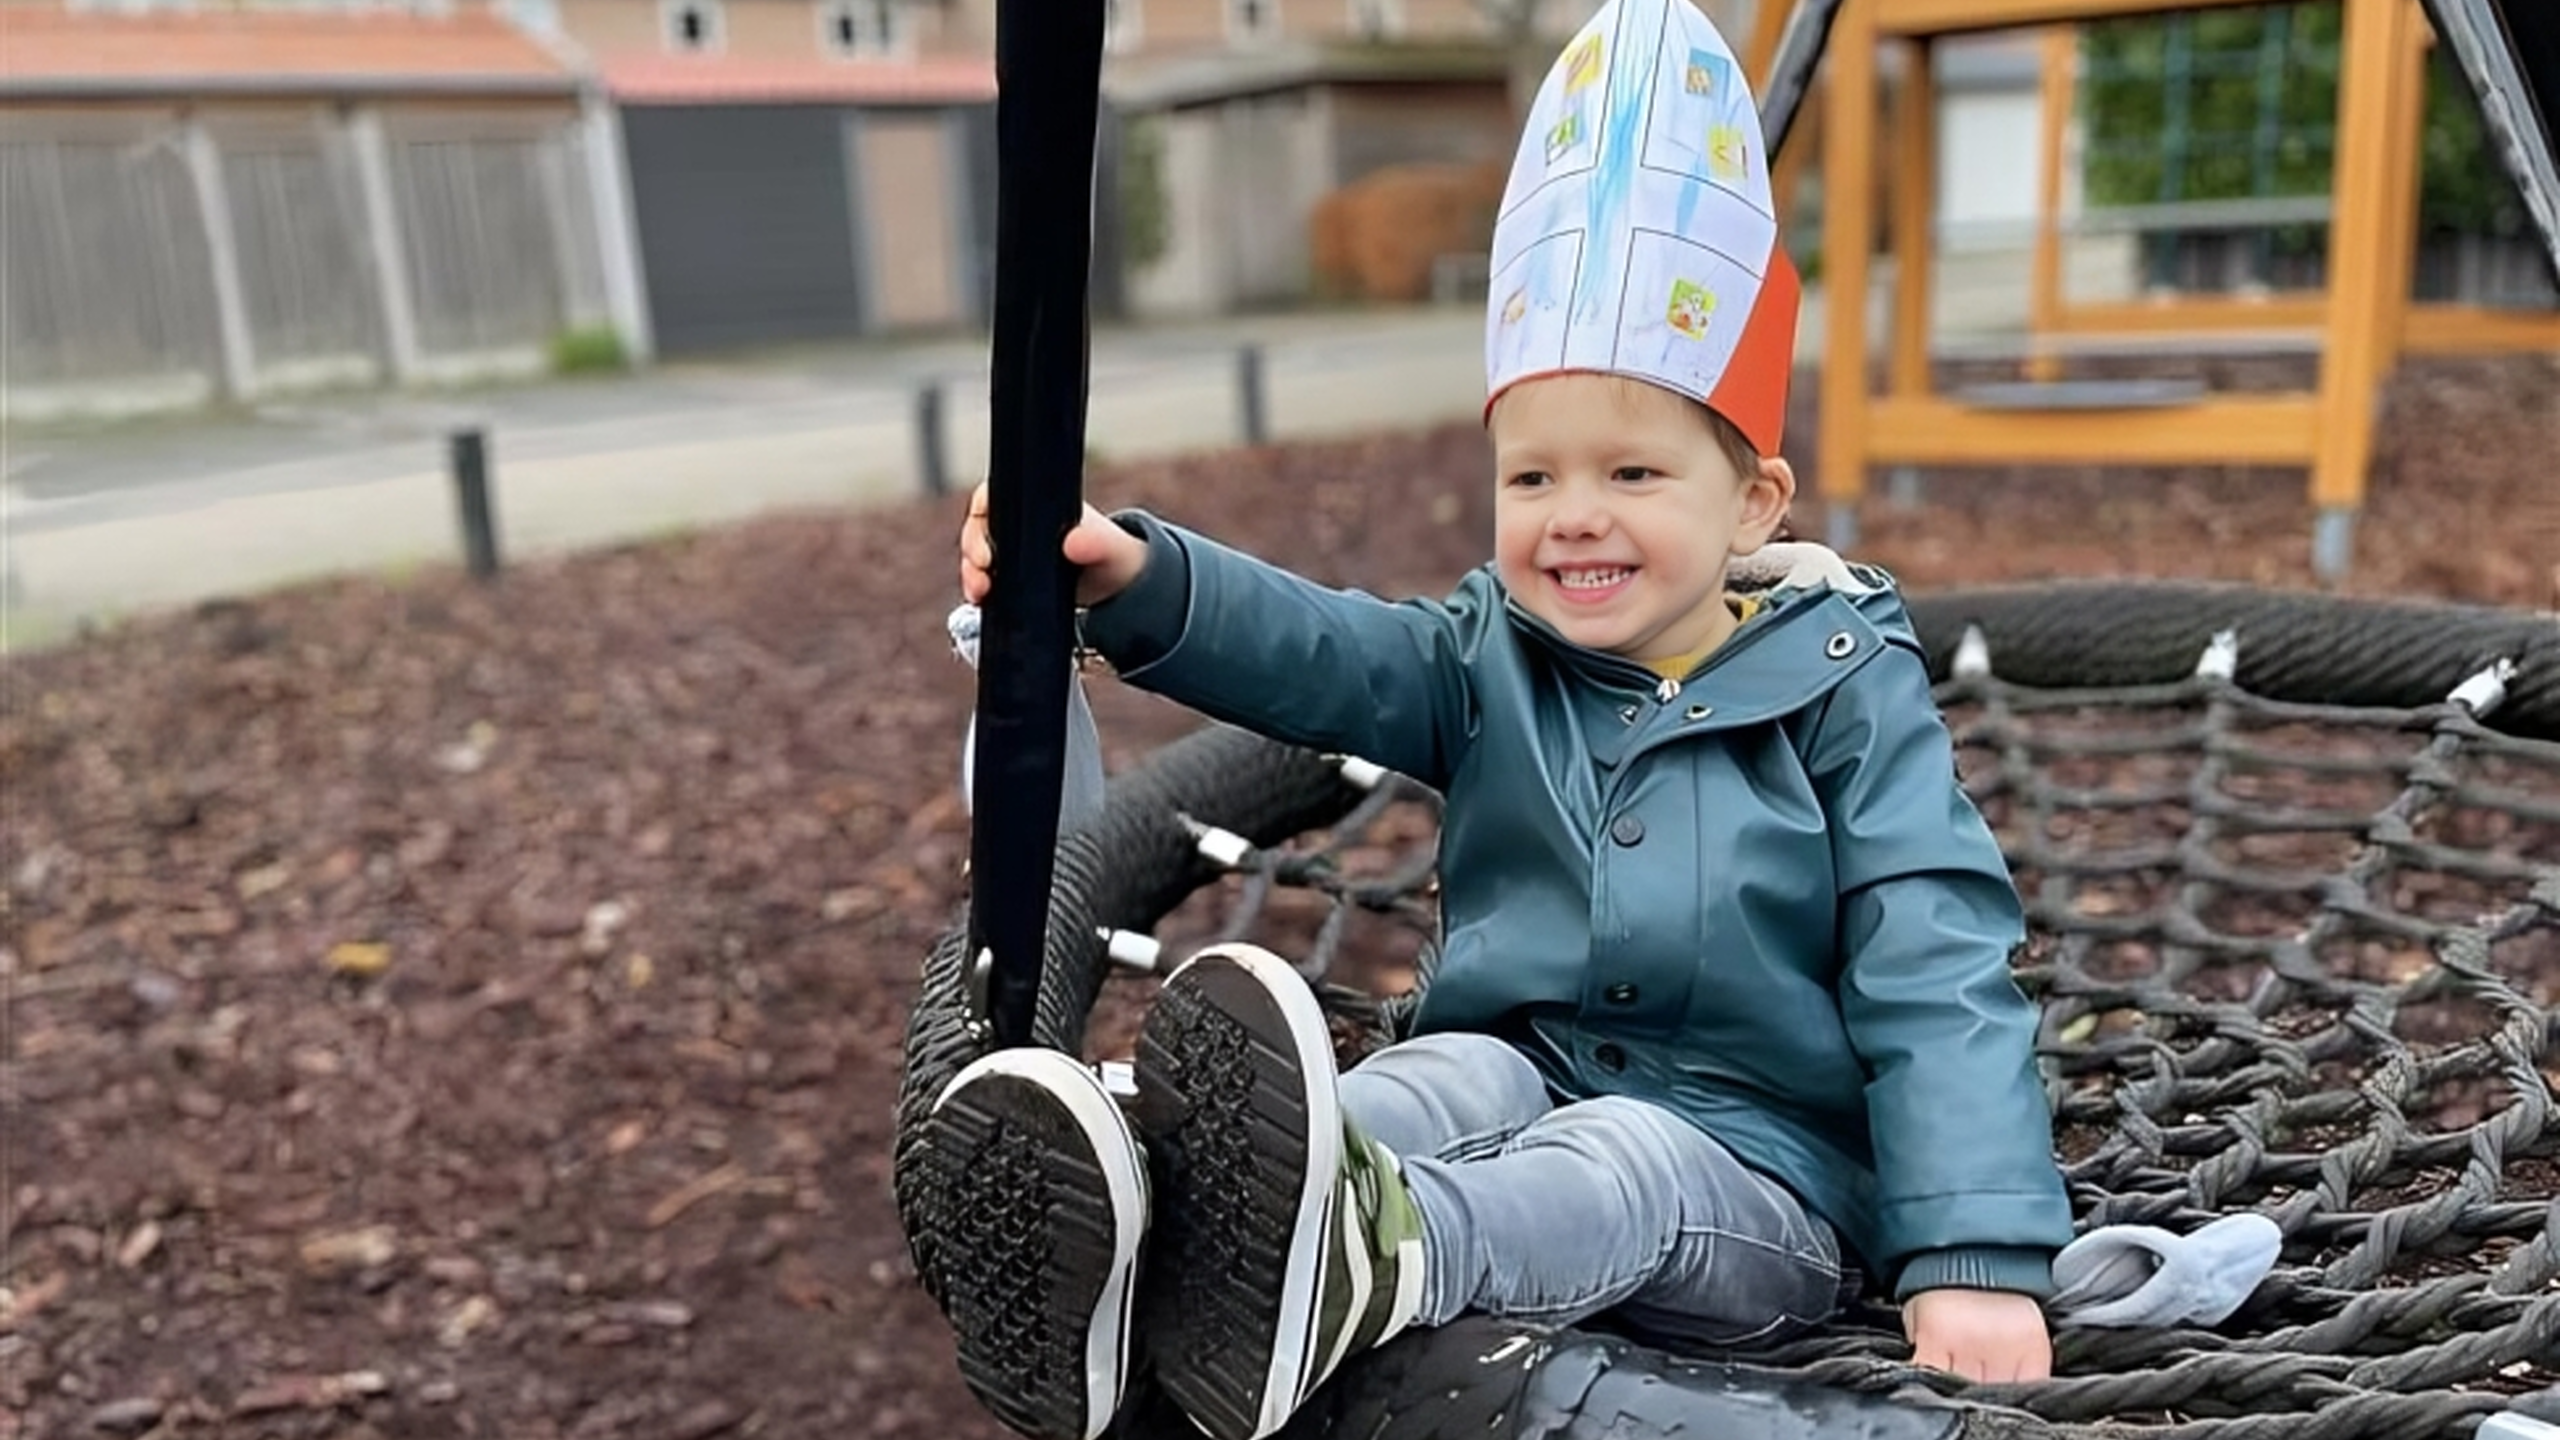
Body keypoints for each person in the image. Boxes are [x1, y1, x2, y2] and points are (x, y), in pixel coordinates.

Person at [926, 4, 2073, 1439]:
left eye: (1634, 474)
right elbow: (1330, 653)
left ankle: (1366, 1263)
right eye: (1531, 480)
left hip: (1761, 1185)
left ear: (1754, 507)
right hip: (1525, 1083)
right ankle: (1153, 1229)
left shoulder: (1847, 693)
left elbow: (1935, 963)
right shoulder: (1490, 653)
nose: (1574, 515)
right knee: (1440, 1075)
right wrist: (1145, 579)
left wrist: (1970, 1255)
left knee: (1622, 1155)